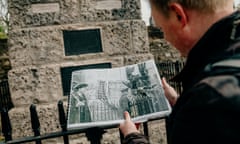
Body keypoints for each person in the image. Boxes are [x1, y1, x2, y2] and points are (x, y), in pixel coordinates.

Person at [119, 0, 240, 143]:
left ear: (179, 15)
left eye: (161, 29)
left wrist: (132, 136)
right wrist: (180, 102)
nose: (165, 38)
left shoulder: (207, 100)